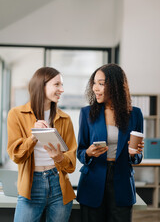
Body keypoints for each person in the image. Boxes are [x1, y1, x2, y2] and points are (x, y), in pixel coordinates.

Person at [7, 67, 77, 222]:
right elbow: (16, 155)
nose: (62, 90)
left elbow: (71, 164)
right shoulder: (16, 114)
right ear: (42, 85)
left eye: (62, 85)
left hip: (59, 186)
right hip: (31, 185)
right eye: (57, 84)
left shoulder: (65, 119)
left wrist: (59, 158)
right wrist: (33, 137)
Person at [76, 64, 144, 222]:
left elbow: (137, 156)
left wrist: (135, 154)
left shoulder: (135, 114)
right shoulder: (87, 113)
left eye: (101, 83)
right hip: (92, 181)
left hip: (122, 182)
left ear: (115, 85)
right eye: (94, 83)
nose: (95, 88)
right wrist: (88, 153)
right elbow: (80, 151)